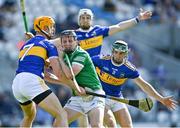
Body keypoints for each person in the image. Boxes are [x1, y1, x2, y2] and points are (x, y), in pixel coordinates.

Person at [12, 16, 84, 127]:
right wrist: (76, 87)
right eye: (51, 27)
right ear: (44, 27)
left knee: (29, 116)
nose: (53, 30)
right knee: (62, 115)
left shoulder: (26, 44)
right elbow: (59, 73)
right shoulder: (48, 45)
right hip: (31, 81)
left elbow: (45, 74)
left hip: (17, 84)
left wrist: (67, 84)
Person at [91, 40, 178, 127]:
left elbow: (144, 85)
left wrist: (161, 99)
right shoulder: (100, 60)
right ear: (112, 51)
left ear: (126, 54)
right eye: (116, 52)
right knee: (111, 123)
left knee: (128, 126)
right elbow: (83, 66)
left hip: (117, 98)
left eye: (121, 53)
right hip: (100, 97)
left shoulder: (129, 69)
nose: (118, 55)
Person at [49, 30, 105, 127]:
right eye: (64, 41)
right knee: (58, 124)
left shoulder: (81, 54)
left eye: (70, 41)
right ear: (61, 44)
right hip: (77, 97)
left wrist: (61, 59)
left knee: (96, 125)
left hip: (94, 95)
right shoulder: (64, 55)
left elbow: (70, 75)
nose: (67, 44)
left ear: (77, 42)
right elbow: (59, 77)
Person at [75, 8, 152, 57]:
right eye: (83, 18)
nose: (85, 20)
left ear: (91, 20)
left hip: (94, 69)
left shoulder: (98, 30)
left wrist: (137, 19)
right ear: (79, 20)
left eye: (88, 18)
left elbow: (119, 27)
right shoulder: (73, 35)